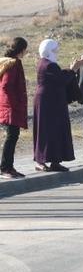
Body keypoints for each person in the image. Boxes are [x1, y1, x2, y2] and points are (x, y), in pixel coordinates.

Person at [34, 39, 83, 171]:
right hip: (48, 102)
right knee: (47, 131)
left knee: (54, 130)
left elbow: (58, 77)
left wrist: (70, 70)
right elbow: (61, 80)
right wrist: (73, 69)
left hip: (51, 101)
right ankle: (41, 161)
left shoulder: (45, 63)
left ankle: (54, 161)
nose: (56, 53)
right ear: (48, 51)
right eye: (54, 51)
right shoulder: (49, 65)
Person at [0, 37, 28, 179]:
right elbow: (6, 86)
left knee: (12, 137)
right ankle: (5, 168)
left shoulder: (7, 61)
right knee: (11, 137)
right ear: (21, 49)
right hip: (10, 108)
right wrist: (15, 103)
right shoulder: (13, 64)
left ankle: (9, 167)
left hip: (8, 107)